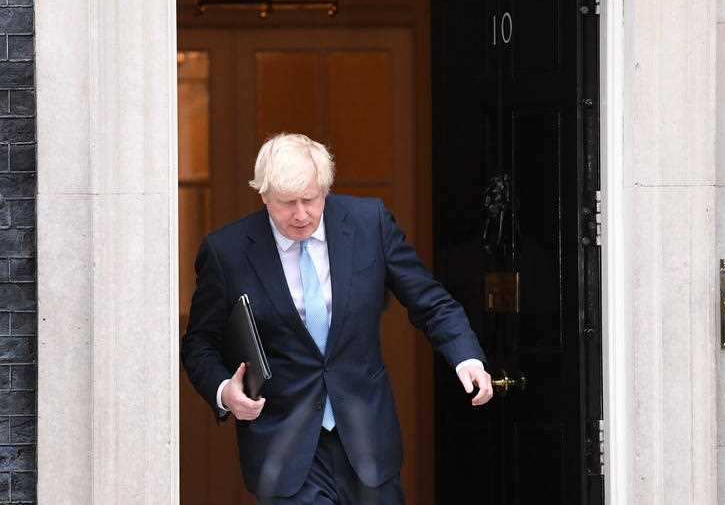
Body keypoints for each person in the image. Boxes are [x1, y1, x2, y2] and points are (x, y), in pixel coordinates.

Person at [180, 133, 493, 504]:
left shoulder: (369, 223)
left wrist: (466, 357)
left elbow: (431, 301)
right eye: (286, 203)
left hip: (367, 441)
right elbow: (199, 342)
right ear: (264, 196)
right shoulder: (226, 251)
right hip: (284, 447)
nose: (301, 214)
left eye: (310, 199)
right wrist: (224, 392)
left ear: (325, 189)